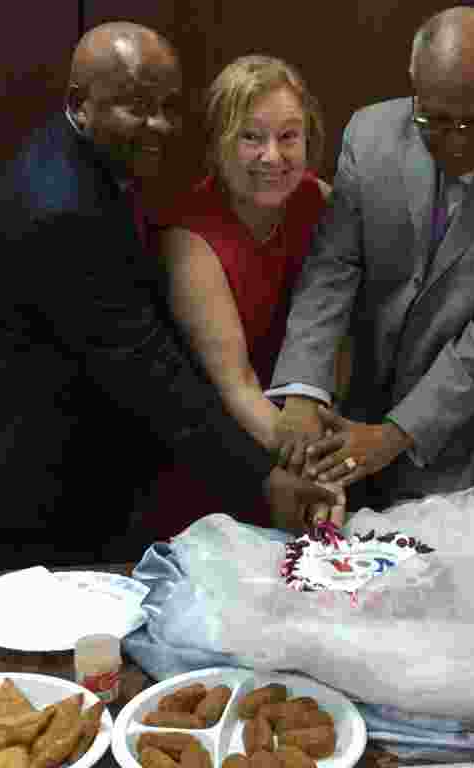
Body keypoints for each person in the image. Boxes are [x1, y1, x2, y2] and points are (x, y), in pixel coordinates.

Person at [0, 23, 337, 572]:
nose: (159, 125)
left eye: (168, 107)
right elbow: (151, 371)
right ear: (79, 103)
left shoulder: (98, 162)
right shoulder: (63, 208)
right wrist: (267, 478)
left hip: (91, 466)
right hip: (23, 484)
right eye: (136, 107)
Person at [266, 7, 474, 512]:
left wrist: (392, 436)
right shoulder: (369, 137)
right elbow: (333, 267)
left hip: (436, 451)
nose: (454, 141)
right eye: (433, 119)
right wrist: (304, 391)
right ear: (414, 80)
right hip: (337, 412)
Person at [147, 55, 345, 539]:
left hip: (305, 436)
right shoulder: (188, 236)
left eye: (288, 136)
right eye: (251, 136)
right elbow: (236, 384)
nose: (272, 156)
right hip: (222, 453)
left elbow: (340, 331)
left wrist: (322, 450)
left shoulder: (320, 202)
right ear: (218, 145)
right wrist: (309, 467)